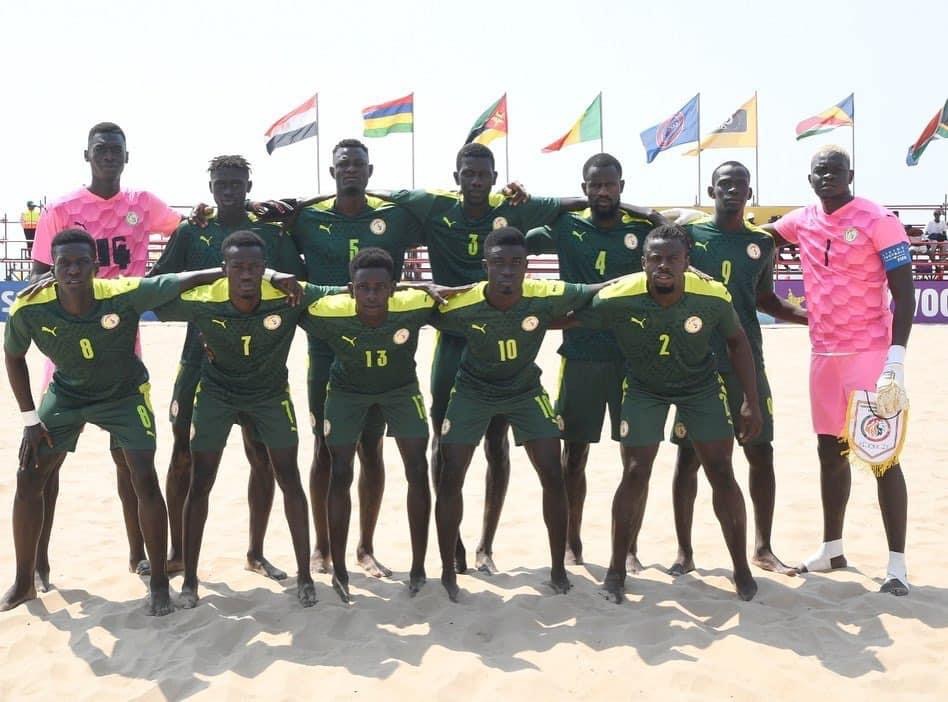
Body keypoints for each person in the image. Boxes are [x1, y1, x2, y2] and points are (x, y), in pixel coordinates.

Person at [383, 143, 618, 574]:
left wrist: (650, 213)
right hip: (456, 339)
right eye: (467, 174)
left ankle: (485, 544)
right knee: (446, 444)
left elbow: (580, 200)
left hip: (507, 335)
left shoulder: (514, 208)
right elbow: (378, 194)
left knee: (497, 445)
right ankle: (451, 540)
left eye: (483, 175)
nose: (475, 182)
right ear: (456, 177)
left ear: (494, 177)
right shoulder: (433, 206)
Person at [0, 228, 232, 615]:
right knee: (29, 477)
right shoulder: (30, 306)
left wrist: (248, 272)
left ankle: (158, 583)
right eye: (63, 263)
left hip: (124, 394)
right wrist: (29, 419)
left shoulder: (123, 292)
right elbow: (13, 356)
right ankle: (24, 581)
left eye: (80, 262)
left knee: (143, 476)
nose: (72, 269)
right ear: (52, 268)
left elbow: (181, 280)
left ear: (95, 266)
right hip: (68, 395)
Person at [28, 122, 183, 584]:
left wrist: (158, 274)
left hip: (123, 349)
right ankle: (39, 562)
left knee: (128, 460)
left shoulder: (142, 204)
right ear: (88, 154)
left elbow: (187, 228)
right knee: (46, 464)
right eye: (101, 149)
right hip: (67, 355)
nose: (109, 156)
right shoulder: (62, 208)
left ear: (126, 156)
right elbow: (40, 272)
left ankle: (138, 552)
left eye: (116, 150)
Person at [574, 224, 762, 602]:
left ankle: (741, 570)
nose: (664, 266)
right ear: (642, 263)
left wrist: (750, 401)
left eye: (672, 259)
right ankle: (615, 570)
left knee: (721, 471)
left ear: (686, 263)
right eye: (655, 259)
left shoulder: (709, 295)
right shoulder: (618, 297)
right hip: (644, 389)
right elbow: (568, 314)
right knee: (634, 472)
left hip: (700, 387)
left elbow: (738, 342)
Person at [431, 226, 609, 601]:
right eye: (499, 264)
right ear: (486, 266)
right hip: (472, 391)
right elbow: (411, 306)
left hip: (524, 390)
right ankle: (448, 568)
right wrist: (424, 289)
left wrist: (653, 275)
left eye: (516, 263)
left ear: (528, 266)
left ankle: (558, 568)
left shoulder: (543, 296)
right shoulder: (463, 302)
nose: (508, 271)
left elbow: (598, 291)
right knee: (450, 479)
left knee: (553, 474)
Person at [149, 154, 305, 579]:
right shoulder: (193, 231)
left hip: (259, 363)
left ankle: (255, 552)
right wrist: (209, 285)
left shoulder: (270, 232)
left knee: (264, 460)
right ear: (211, 186)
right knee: (183, 458)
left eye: (236, 182)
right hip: (198, 360)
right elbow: (158, 285)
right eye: (221, 182)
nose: (229, 189)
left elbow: (297, 283)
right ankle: (179, 552)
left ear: (249, 185)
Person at [766, 146, 913, 596]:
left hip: (869, 354)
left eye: (835, 170)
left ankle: (897, 566)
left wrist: (896, 359)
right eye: (819, 172)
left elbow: (904, 296)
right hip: (822, 355)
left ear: (850, 174)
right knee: (830, 452)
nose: (827, 177)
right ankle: (833, 548)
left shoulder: (878, 220)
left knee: (882, 455)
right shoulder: (801, 220)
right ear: (809, 179)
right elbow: (756, 237)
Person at [154, 230, 326, 608]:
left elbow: (339, 294)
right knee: (201, 482)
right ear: (225, 268)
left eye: (254, 267)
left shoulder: (289, 295)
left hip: (269, 396)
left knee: (288, 477)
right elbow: (157, 296)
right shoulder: (204, 300)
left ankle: (304, 575)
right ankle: (191, 580)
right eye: (237, 267)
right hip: (216, 395)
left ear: (265, 268)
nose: (246, 274)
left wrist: (275, 278)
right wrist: (208, 276)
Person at [287, 138, 424, 578]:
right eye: (342, 165)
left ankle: (364, 547)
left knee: (371, 450)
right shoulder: (308, 219)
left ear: (369, 171)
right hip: (325, 348)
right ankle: (323, 547)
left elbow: (447, 214)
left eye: (357, 165)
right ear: (332, 173)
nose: (350, 170)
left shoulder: (393, 217)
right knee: (325, 450)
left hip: (381, 347)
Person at [667, 161, 807, 578]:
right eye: (724, 184)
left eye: (740, 185)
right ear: (711, 191)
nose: (732, 190)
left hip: (747, 362)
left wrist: (811, 316)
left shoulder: (762, 243)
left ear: (749, 192)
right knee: (688, 457)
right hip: (696, 362)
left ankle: (763, 548)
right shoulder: (690, 236)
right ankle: (684, 552)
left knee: (760, 452)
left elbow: (766, 299)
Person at [525, 152, 657, 568]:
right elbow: (520, 233)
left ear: (621, 185)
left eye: (610, 185)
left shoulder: (639, 230)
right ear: (583, 190)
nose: (603, 192)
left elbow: (670, 227)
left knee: (634, 459)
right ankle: (571, 541)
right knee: (575, 456)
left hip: (629, 356)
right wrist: (572, 206)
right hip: (579, 355)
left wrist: (637, 208)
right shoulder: (566, 226)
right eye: (594, 186)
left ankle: (630, 547)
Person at [299, 248, 443, 603]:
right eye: (364, 288)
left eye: (381, 288)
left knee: (416, 469)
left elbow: (453, 298)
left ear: (394, 288)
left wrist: (429, 285)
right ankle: (339, 567)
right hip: (347, 392)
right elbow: (295, 300)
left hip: (399, 390)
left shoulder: (414, 305)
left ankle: (419, 567)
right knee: (340, 472)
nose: (373, 295)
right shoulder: (332, 313)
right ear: (351, 289)